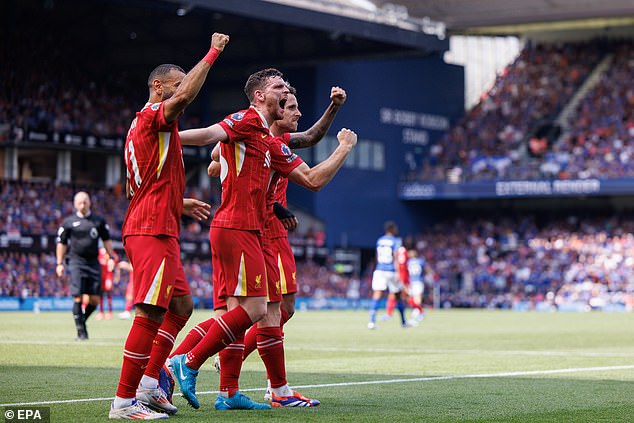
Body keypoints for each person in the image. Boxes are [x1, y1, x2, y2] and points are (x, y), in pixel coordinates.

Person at [169, 70, 356, 411]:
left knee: (254, 311)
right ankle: (192, 361)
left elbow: (307, 151)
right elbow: (214, 140)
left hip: (253, 229)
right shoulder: (248, 126)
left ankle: (225, 389)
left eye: (292, 98)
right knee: (264, 310)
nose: (294, 109)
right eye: (286, 98)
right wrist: (165, 132)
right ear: (264, 99)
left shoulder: (271, 142)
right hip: (249, 229)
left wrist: (223, 162)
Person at [108, 32, 229, 420]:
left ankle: (147, 384)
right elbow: (184, 98)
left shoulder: (150, 129)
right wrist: (212, 53)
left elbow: (145, 184)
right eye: (176, 86)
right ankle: (124, 402)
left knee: (181, 306)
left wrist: (179, 202)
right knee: (149, 313)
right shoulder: (151, 118)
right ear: (158, 87)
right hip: (150, 230)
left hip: (159, 223)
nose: (182, 92)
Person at [56, 191, 117, 340]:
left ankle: (81, 320)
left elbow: (106, 240)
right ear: (75, 204)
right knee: (78, 296)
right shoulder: (68, 222)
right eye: (80, 202)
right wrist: (59, 263)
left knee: (95, 300)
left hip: (93, 263)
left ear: (90, 202)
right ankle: (81, 332)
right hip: (76, 262)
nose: (83, 205)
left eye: (85, 202)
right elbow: (62, 243)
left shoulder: (98, 221)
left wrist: (111, 257)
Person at [367, 221, 408, 329]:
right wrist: (398, 272)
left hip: (380, 269)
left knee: (377, 295)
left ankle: (371, 322)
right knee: (398, 295)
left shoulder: (380, 240)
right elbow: (395, 257)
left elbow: (376, 256)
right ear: (392, 229)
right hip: (391, 270)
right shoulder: (395, 241)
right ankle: (403, 322)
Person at [406, 248, 430, 325]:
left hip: (411, 282)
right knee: (417, 298)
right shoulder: (420, 261)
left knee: (413, 298)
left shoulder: (408, 262)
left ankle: (417, 313)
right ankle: (419, 312)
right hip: (418, 281)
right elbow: (427, 270)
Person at [96, 247, 116, 320]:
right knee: (100, 295)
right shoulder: (98, 251)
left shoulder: (110, 252)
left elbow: (115, 260)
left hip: (108, 276)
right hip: (100, 277)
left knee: (108, 293)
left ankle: (110, 312)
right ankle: (101, 312)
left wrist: (113, 264)